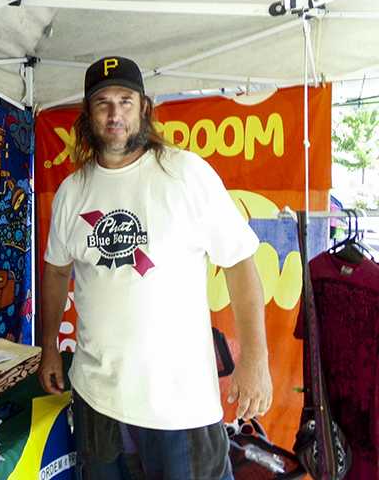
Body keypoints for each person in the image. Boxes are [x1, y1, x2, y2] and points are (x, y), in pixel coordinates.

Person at [37, 56, 272, 480]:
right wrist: (50, 345)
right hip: (96, 399)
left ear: (144, 108)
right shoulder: (74, 191)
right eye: (102, 103)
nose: (114, 115)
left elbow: (238, 263)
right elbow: (55, 272)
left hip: (179, 408)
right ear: (87, 116)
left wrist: (255, 359)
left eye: (125, 101)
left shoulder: (185, 174)